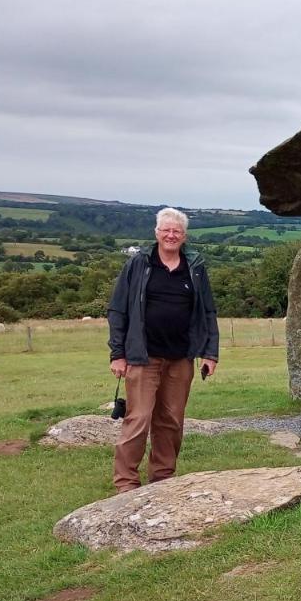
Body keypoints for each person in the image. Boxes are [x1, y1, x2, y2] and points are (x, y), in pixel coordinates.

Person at [107, 207, 219, 493]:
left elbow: (207, 311)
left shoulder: (194, 267)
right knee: (139, 417)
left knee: (171, 420)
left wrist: (210, 353)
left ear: (184, 236)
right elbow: (118, 309)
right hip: (143, 356)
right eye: (166, 230)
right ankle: (126, 483)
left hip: (181, 357)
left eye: (177, 231)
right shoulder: (139, 264)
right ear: (156, 233)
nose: (171, 235)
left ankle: (162, 480)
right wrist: (117, 354)